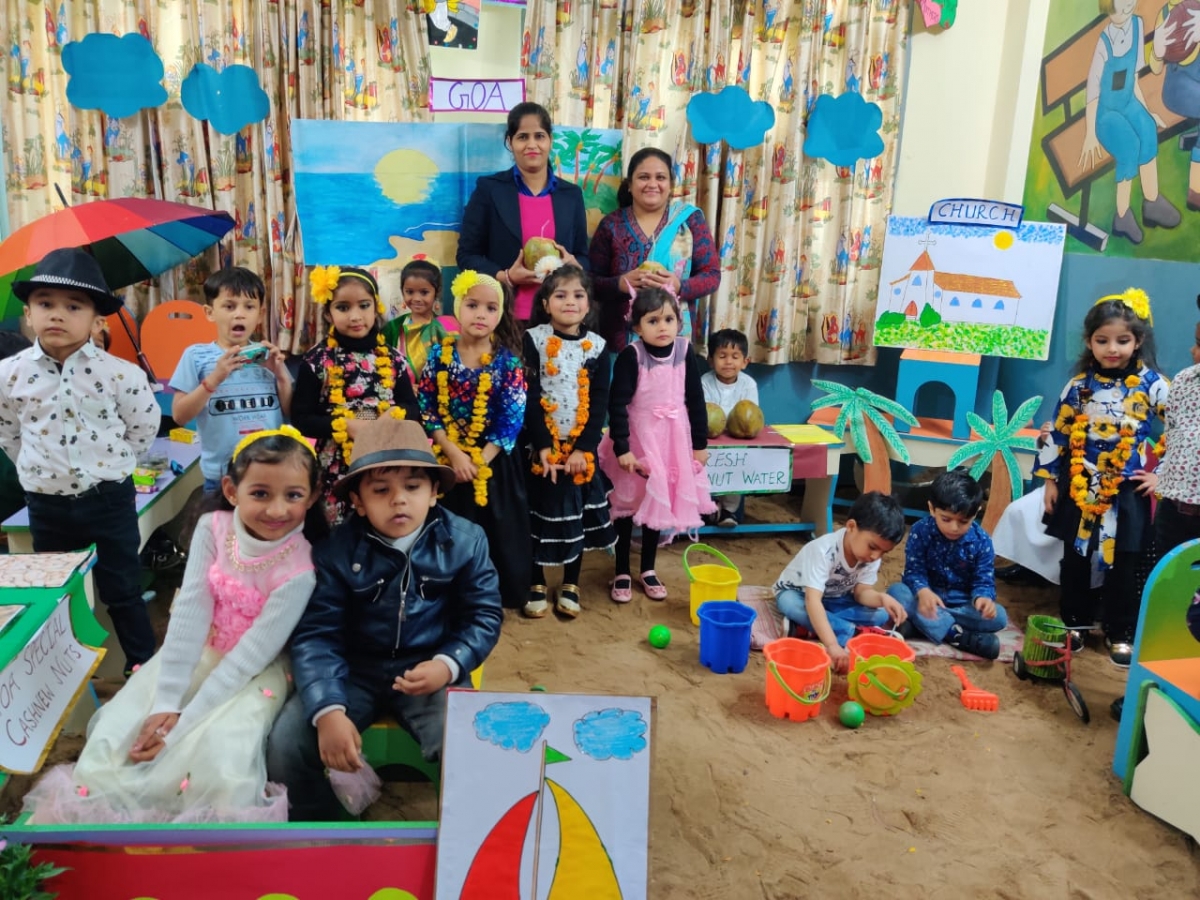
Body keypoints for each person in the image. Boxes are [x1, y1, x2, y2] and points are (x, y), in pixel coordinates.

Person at [22, 426, 324, 824]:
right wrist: (167, 703)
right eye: (260, 493)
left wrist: (179, 728)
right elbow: (190, 615)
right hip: (196, 653)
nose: (277, 510)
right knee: (116, 732)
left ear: (312, 496)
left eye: (293, 495)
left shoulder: (300, 569)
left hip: (253, 674)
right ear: (232, 491)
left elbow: (251, 657)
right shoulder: (212, 529)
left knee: (223, 757)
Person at [266, 417, 503, 821]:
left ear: (434, 493)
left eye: (413, 487)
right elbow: (317, 636)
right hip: (353, 670)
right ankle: (323, 829)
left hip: (429, 668)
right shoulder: (334, 552)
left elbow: (483, 615)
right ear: (357, 501)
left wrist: (448, 665)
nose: (398, 500)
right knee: (286, 745)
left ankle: (465, 835)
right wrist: (328, 710)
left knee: (470, 744)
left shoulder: (465, 541)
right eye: (380, 490)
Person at [0, 249, 159, 675]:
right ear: (29, 313)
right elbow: (8, 431)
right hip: (47, 505)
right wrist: (39, 470)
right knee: (57, 590)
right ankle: (64, 674)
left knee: (122, 589)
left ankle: (143, 668)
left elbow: (143, 428)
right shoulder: (9, 374)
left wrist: (111, 467)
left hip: (108, 500)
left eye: (74, 306)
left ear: (96, 320)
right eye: (45, 303)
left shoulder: (121, 375)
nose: (58, 314)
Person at [1037, 289, 1167, 667]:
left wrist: (1162, 475)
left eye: (1122, 340)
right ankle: (1074, 623)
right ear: (1089, 342)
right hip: (1082, 485)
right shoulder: (1079, 386)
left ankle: (1120, 630)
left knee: (1125, 562)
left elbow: (1186, 428)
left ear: (1138, 341)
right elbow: (1060, 433)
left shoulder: (1154, 385)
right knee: (1076, 557)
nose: (1112, 349)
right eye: (1102, 340)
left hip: (1126, 489)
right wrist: (1050, 481)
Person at [418, 270, 530, 610]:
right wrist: (453, 454)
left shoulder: (507, 362)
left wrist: (479, 461)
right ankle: (450, 597)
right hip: (448, 458)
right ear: (457, 308)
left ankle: (499, 595)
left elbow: (511, 417)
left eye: (491, 308)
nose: (481, 314)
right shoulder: (438, 356)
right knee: (450, 528)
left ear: (500, 314)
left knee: (498, 528)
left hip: (494, 461)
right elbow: (427, 408)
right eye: (472, 305)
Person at [598, 284, 715, 603]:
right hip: (638, 441)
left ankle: (647, 569)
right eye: (652, 321)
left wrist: (699, 445)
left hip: (671, 443)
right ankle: (622, 569)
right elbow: (617, 404)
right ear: (637, 327)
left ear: (678, 322)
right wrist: (623, 448)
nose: (662, 327)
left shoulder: (685, 352)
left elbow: (696, 399)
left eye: (668, 319)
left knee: (657, 504)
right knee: (627, 505)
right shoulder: (631, 356)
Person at [523, 265, 616, 619]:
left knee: (574, 517)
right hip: (542, 449)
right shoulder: (533, 340)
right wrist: (542, 445)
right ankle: (535, 581)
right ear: (545, 303)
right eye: (560, 295)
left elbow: (600, 403)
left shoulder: (598, 347)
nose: (570, 302)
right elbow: (530, 395)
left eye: (578, 295)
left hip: (579, 454)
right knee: (537, 516)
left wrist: (583, 449)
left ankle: (571, 584)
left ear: (588, 303)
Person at [293, 265, 420, 524]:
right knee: (339, 530)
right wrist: (346, 426)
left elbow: (413, 407)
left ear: (376, 307)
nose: (355, 316)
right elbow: (301, 418)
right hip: (336, 465)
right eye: (343, 307)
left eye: (364, 306)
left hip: (386, 460)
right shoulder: (316, 361)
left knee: (384, 522)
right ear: (328, 313)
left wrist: (393, 417)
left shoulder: (394, 359)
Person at [457, 102, 590, 323]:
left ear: (550, 140)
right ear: (510, 142)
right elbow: (467, 255)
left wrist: (574, 264)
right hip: (504, 318)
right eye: (522, 137)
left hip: (560, 320)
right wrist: (506, 277)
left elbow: (583, 256)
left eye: (539, 136)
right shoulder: (490, 190)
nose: (532, 144)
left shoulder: (571, 195)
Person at [171, 267, 294, 493]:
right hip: (220, 478)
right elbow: (180, 415)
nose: (240, 314)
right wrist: (214, 379)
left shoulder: (268, 357)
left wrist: (281, 376)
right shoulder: (195, 356)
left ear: (260, 313)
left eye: (249, 307)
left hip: (270, 473)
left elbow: (291, 412)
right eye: (229, 306)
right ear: (210, 312)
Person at [589, 147, 721, 350]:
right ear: (630, 185)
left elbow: (712, 276)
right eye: (644, 177)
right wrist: (620, 284)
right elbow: (590, 282)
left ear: (671, 185)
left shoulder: (689, 221)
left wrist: (679, 286)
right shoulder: (611, 225)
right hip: (622, 342)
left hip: (674, 340)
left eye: (660, 177)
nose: (652, 184)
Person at [773, 491, 908, 674]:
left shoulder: (871, 557)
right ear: (851, 526)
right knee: (792, 605)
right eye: (872, 547)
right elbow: (813, 601)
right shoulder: (823, 551)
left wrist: (882, 598)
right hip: (800, 594)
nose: (876, 556)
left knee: (882, 614)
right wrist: (832, 645)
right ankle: (853, 633)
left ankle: (804, 628)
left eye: (884, 552)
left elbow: (861, 593)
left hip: (835, 599)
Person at [1080, 0, 1180, 244]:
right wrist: (1090, 133)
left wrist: (1146, 112)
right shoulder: (1104, 42)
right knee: (1129, 146)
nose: (1126, 8)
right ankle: (1122, 217)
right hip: (1107, 114)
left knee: (1147, 129)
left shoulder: (1137, 25)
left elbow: (1132, 78)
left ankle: (1152, 201)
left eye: (1129, 3)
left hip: (1129, 101)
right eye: (1120, 5)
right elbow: (1093, 91)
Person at [887, 470, 1007, 660]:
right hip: (926, 598)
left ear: (976, 513)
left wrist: (983, 598)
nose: (954, 527)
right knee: (896, 592)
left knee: (999, 616)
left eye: (963, 521)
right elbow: (914, 571)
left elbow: (984, 579)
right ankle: (957, 636)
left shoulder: (982, 540)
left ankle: (921, 626)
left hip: (962, 604)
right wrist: (923, 591)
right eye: (946, 519)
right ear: (932, 508)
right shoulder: (920, 531)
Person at [1152, 293, 1200, 561]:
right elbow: (1171, 437)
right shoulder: (1184, 381)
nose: (1193, 351)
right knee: (1169, 575)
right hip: (1173, 509)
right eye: (1196, 342)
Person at [702, 328, 759, 527]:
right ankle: (709, 508)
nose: (728, 362)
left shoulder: (748, 384)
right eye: (722, 356)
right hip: (709, 441)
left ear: (745, 362)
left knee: (736, 469)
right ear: (710, 360)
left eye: (735, 357)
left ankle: (729, 511)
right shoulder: (704, 382)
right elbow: (705, 415)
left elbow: (752, 413)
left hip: (738, 441)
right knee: (705, 472)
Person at [382, 258, 449, 382]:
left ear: (437, 292)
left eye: (424, 292)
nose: (416, 298)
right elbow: (384, 364)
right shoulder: (393, 328)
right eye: (410, 292)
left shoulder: (443, 327)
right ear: (402, 291)